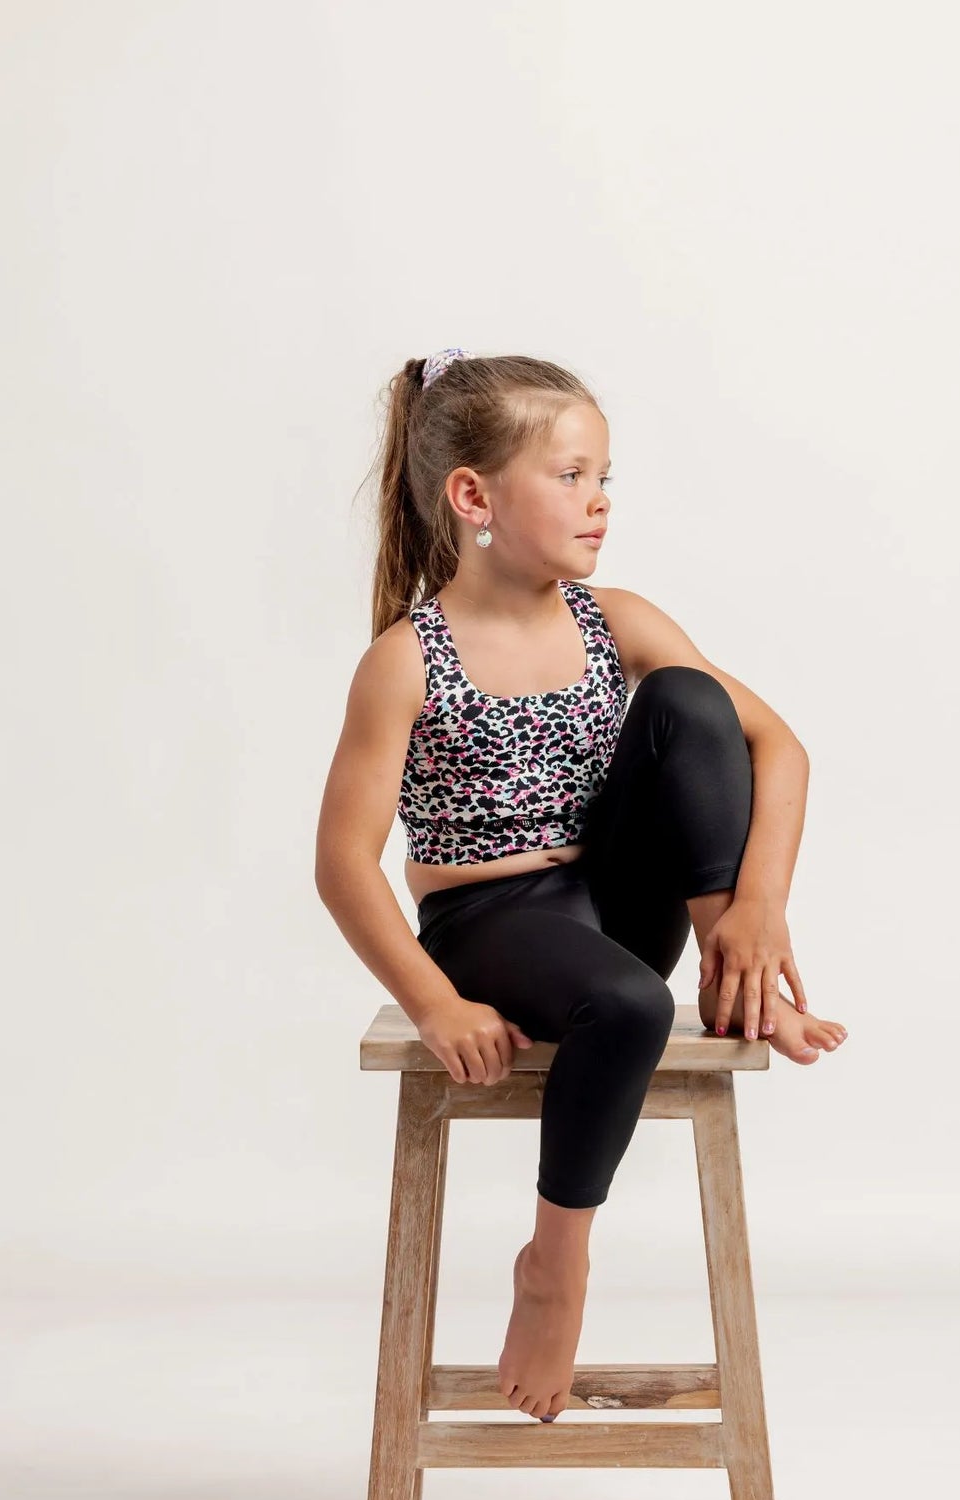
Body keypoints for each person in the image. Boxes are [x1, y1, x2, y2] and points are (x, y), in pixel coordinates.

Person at [315, 349, 848, 1424]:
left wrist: (756, 906)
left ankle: (738, 976)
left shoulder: (617, 622)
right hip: (491, 926)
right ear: (474, 497)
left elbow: (775, 747)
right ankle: (555, 1264)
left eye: (606, 478)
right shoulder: (408, 659)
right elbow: (342, 863)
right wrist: (435, 1002)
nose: (599, 502)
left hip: (621, 905)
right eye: (569, 477)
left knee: (692, 702)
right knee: (629, 1004)